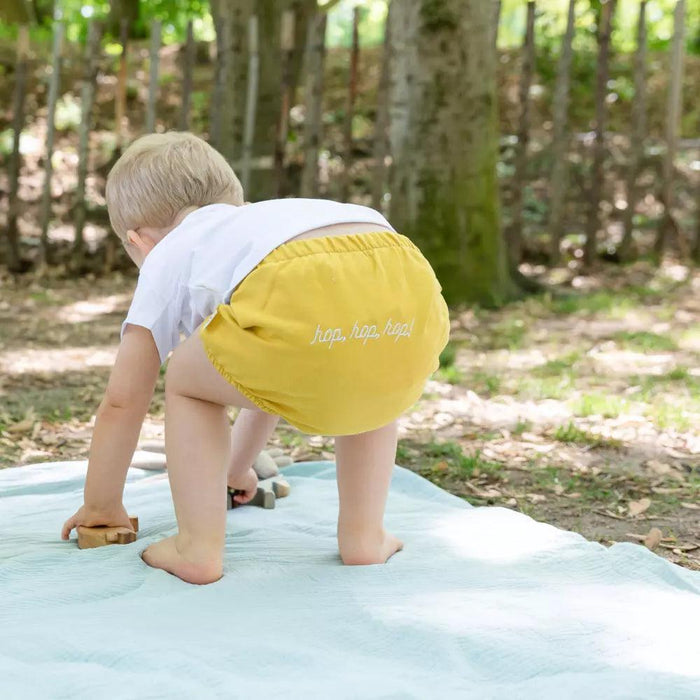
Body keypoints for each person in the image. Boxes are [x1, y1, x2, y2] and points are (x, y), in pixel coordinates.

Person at [61, 132, 450, 584]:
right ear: (234, 199)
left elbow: (123, 402)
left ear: (139, 241)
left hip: (312, 284)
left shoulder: (169, 252)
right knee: (373, 366)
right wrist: (236, 467)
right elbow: (264, 371)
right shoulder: (266, 225)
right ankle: (364, 536)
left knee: (187, 378)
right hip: (404, 281)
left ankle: (197, 548)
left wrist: (101, 505)